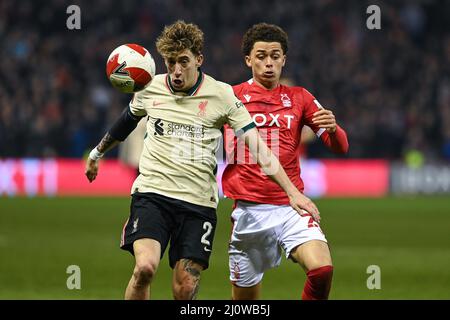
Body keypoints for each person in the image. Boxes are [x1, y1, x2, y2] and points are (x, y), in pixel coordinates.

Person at [85, 20, 320, 300]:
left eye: (183, 61)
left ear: (199, 59)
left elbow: (259, 149)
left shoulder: (222, 96)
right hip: (152, 195)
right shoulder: (150, 88)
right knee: (145, 268)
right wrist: (97, 153)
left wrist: (292, 193)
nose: (176, 70)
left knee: (185, 289)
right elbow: (126, 123)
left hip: (198, 205)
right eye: (170, 62)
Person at [222, 23, 349, 300]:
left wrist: (333, 129)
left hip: (291, 205)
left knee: (322, 270)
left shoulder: (299, 97)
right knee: (246, 303)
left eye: (275, 56)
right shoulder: (229, 97)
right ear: (248, 60)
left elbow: (340, 147)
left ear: (284, 59)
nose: (269, 63)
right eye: (261, 56)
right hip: (249, 212)